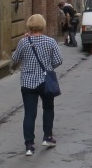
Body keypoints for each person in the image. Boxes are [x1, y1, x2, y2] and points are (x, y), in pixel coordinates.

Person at [11, 13, 64, 156]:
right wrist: (48, 67)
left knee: (29, 113)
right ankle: (47, 137)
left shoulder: (24, 42)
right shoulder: (50, 41)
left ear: (29, 26)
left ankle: (29, 145)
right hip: (45, 82)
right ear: (43, 25)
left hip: (27, 82)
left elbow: (15, 58)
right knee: (48, 108)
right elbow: (59, 60)